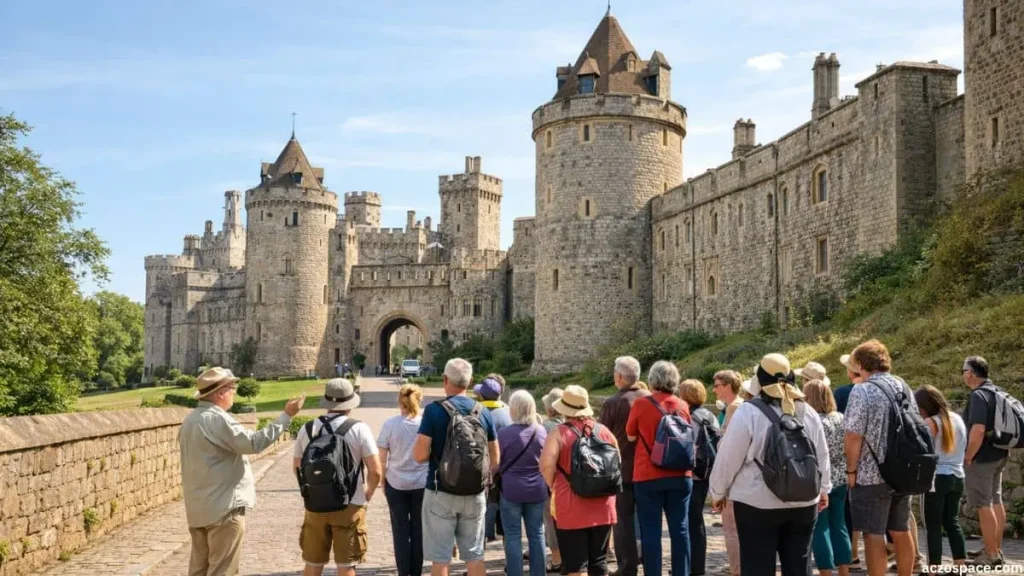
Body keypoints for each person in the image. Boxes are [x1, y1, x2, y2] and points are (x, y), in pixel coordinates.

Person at [709, 354, 831, 576]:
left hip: (757, 501)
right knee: (799, 565)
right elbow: (821, 454)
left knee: (757, 565)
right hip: (803, 501)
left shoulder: (749, 412)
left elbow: (729, 457)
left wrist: (718, 492)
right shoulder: (808, 412)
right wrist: (823, 489)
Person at [179, 367, 304, 576]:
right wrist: (286, 416)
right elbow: (253, 443)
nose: (234, 392)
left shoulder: (190, 421)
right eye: (231, 388)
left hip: (198, 508)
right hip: (223, 509)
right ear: (220, 393)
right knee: (222, 570)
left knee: (198, 571)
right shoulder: (217, 419)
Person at [414, 358, 499, 576]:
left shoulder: (434, 411)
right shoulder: (483, 412)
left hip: (440, 490)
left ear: (444, 380)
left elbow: (420, 455)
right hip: (475, 492)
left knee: (441, 559)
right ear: (470, 382)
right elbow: (495, 458)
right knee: (474, 556)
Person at [843, 340, 919, 576]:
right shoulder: (901, 385)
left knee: (873, 532)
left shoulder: (862, 390)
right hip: (902, 470)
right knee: (900, 529)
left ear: (861, 364)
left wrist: (851, 470)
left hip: (871, 472)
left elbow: (854, 435)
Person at [293, 378, 382, 576]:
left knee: (312, 563)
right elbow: (375, 470)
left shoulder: (307, 429)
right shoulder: (359, 429)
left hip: (315, 503)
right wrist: (367, 494)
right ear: (350, 403)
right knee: (346, 564)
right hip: (349, 502)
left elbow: (297, 466)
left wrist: (310, 491)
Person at [540, 385, 619, 576]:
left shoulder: (558, 433)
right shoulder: (604, 431)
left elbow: (546, 466)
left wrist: (555, 485)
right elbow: (617, 464)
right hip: (603, 504)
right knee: (599, 563)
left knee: (575, 565)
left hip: (570, 505)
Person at [626, 360, 693, 576]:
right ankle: (681, 572)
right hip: (680, 474)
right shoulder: (682, 405)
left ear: (652, 380)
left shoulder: (641, 404)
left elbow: (630, 435)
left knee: (651, 531)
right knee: (680, 530)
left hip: (648, 474)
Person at [596, 356, 648, 576]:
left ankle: (627, 567)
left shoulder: (613, 402)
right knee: (648, 518)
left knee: (623, 521)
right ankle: (649, 560)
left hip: (622, 468)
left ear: (618, 377)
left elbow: (601, 436)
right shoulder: (650, 398)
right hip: (648, 468)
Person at [378, 384, 429, 576]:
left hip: (396, 482)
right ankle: (416, 571)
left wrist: (383, 481)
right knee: (418, 530)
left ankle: (403, 571)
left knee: (400, 531)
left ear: (400, 401)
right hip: (421, 483)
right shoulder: (425, 424)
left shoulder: (390, 425)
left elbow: (382, 458)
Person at [914, 385, 967, 570]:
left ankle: (933, 569)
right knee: (952, 522)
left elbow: (922, 450)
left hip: (936, 478)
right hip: (957, 476)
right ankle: (960, 565)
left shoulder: (931, 422)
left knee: (933, 526)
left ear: (924, 407)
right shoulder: (958, 419)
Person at [961, 356, 1008, 566]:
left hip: (982, 457)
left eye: (963, 370)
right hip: (1000, 453)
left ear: (970, 373)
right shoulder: (997, 392)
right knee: (995, 501)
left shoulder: (979, 396)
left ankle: (989, 555)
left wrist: (968, 455)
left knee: (983, 504)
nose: (963, 374)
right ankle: (995, 549)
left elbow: (978, 430)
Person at [498, 390, 549, 576]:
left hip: (511, 489)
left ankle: (515, 573)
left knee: (512, 536)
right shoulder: (541, 431)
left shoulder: (504, 433)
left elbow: (498, 462)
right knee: (536, 534)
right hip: (536, 489)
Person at [804, 379, 852, 576]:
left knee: (820, 527)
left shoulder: (814, 421)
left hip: (820, 479)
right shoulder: (841, 418)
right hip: (841, 477)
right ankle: (844, 569)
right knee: (839, 524)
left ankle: (825, 570)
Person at [678, 378, 720, 576]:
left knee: (689, 523)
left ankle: (692, 568)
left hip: (691, 474)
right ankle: (698, 567)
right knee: (697, 522)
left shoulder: (687, 415)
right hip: (706, 473)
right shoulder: (710, 415)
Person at [712, 369, 744, 576]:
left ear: (727, 386)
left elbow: (727, 446)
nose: (714, 389)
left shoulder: (734, 407)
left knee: (731, 530)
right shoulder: (740, 405)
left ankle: (737, 569)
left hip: (733, 478)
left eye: (717, 385)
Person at [474, 377, 511, 543]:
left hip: (481, 469)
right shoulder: (508, 413)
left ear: (481, 395)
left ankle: (477, 564)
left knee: (480, 515)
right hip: (505, 469)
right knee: (506, 518)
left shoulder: (477, 413)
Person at [540, 388, 565, 572]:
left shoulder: (545, 427)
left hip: (551, 482)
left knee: (550, 521)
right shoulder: (571, 425)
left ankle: (557, 559)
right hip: (571, 482)